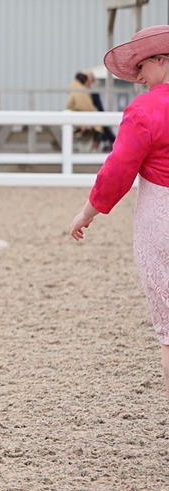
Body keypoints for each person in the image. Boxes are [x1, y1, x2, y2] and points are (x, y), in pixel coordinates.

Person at [70, 25, 169, 399]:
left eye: (142, 66)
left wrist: (86, 213)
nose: (139, 77)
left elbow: (117, 173)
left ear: (161, 61)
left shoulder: (144, 110)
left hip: (161, 216)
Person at [66, 71, 102, 148]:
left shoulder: (74, 89)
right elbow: (88, 107)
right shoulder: (83, 91)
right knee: (99, 128)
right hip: (85, 119)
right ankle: (95, 145)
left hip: (76, 117)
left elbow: (70, 105)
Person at [85, 72, 116, 151]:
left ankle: (111, 142)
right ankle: (113, 141)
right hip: (94, 114)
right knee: (103, 126)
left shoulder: (90, 90)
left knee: (104, 126)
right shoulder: (87, 91)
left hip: (96, 113)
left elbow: (98, 106)